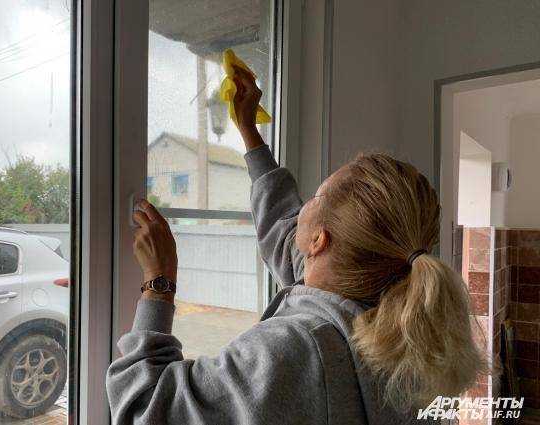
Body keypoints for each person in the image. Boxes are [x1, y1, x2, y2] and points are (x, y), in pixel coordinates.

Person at [106, 68, 487, 424]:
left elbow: (147, 408)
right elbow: (286, 235)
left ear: (319, 240)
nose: (303, 204)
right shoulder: (397, 325)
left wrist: (159, 283)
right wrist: (249, 133)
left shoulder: (294, 350)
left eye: (317, 197)